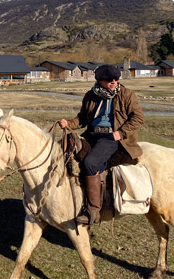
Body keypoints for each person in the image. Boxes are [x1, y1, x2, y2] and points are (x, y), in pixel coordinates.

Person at [59, 64, 145, 225]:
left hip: (111, 137)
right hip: (92, 135)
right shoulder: (91, 96)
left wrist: (121, 132)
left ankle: (93, 210)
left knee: (91, 163)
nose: (114, 82)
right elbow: (82, 119)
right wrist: (68, 123)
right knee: (63, 150)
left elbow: (138, 118)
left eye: (116, 79)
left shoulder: (126, 95)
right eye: (109, 79)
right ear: (100, 81)